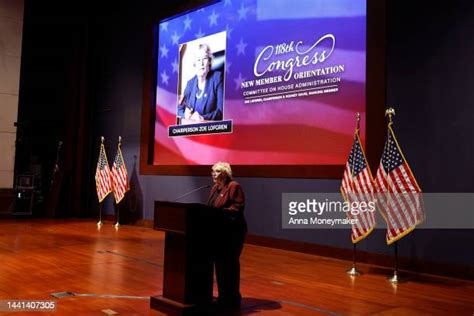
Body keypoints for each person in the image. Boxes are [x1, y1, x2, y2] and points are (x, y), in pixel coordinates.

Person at [207, 162, 247, 309]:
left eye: (216, 171)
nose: (213, 174)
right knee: (220, 266)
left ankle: (233, 299)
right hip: (218, 234)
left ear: (225, 173)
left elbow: (237, 209)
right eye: (212, 171)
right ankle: (223, 297)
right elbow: (210, 209)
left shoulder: (234, 186)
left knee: (230, 265)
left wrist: (219, 214)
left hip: (232, 234)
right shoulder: (214, 188)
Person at [177, 43, 223, 122]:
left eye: (204, 58)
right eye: (198, 60)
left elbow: (221, 111)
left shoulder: (217, 78)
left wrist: (203, 118)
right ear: (195, 63)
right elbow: (179, 109)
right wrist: (185, 114)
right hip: (192, 130)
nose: (201, 63)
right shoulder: (190, 84)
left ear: (209, 61)